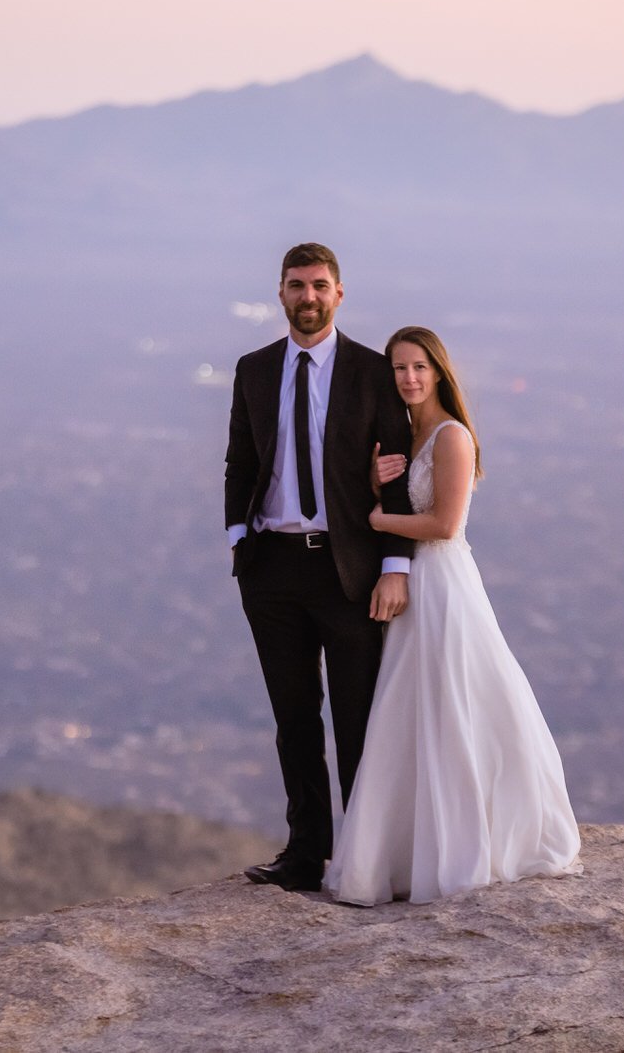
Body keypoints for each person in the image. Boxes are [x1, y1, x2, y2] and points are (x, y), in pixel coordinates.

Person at [325, 325, 581, 905]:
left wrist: (378, 521)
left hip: (444, 585)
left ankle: (469, 844)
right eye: (398, 369)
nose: (408, 378)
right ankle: (408, 853)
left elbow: (445, 524)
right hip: (417, 588)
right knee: (410, 712)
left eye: (418, 367)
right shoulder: (403, 435)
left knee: (458, 704)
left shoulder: (450, 436)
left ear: (439, 371)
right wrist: (371, 485)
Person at [224, 243, 416, 893]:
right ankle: (307, 852)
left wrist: (396, 566)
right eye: (296, 286)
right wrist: (238, 544)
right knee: (295, 718)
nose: (308, 297)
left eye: (320, 286)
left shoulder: (372, 372)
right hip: (272, 569)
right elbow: (240, 461)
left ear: (340, 293)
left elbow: (398, 479)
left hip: (349, 570)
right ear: (280, 293)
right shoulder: (253, 369)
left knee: (359, 718)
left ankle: (369, 857)